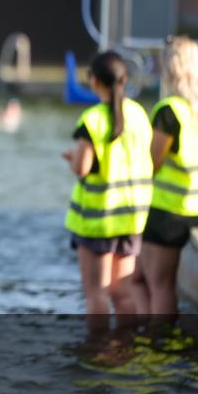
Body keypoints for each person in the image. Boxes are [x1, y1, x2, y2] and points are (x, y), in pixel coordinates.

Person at [62, 51, 153, 334]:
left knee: (96, 295)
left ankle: (98, 350)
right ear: (124, 80)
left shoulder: (93, 119)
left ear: (94, 81)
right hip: (131, 219)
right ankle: (126, 347)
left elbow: (83, 168)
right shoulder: (138, 114)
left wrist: (73, 158)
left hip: (97, 221)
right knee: (122, 294)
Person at [134, 37, 198, 321]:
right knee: (141, 278)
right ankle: (152, 335)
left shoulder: (169, 111)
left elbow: (151, 162)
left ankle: (157, 340)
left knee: (157, 284)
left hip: (168, 211)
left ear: (171, 69)